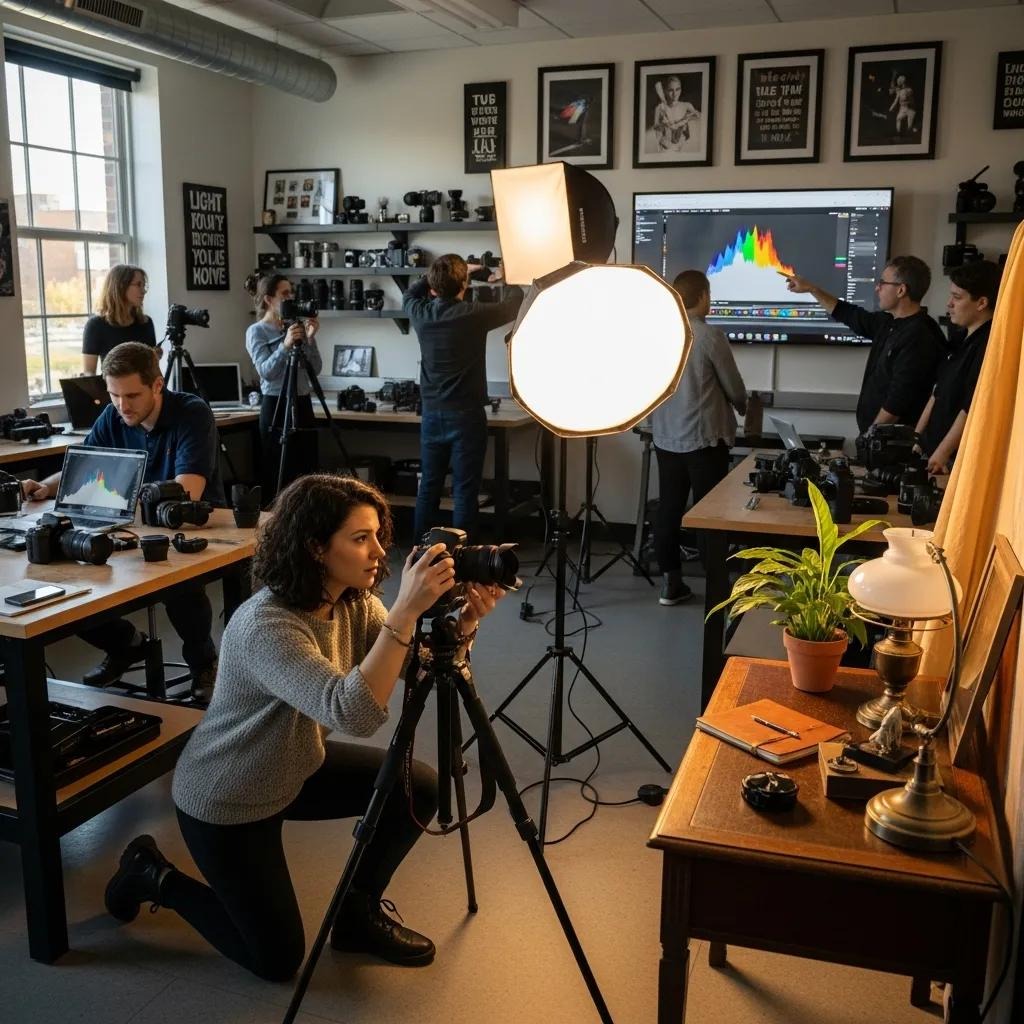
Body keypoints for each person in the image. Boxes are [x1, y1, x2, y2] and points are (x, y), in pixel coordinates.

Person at [102, 474, 505, 980]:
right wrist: (405, 612)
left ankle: (357, 917)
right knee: (276, 960)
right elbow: (351, 712)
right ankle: (152, 873)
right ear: (316, 547)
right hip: (230, 797)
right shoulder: (267, 625)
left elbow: (421, 672)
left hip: (295, 768)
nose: (380, 552)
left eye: (379, 534)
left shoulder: (355, 604)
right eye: (360, 539)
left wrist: (466, 624)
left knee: (417, 788)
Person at [22, 342, 223, 696]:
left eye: (131, 395)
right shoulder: (114, 414)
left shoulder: (192, 413)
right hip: (128, 520)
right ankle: (125, 644)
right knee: (64, 569)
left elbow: (187, 489)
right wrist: (47, 486)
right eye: (113, 395)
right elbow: (85, 465)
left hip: (187, 526)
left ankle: (204, 663)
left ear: (157, 385)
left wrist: (116, 497)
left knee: (179, 584)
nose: (121, 406)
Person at [403, 254, 524, 540]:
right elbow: (512, 304)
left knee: (429, 487)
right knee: (464, 490)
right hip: (467, 415)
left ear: (432, 288)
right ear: (463, 286)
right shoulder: (472, 314)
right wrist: (503, 276)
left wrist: (438, 276)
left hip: (432, 414)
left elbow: (410, 293)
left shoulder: (421, 313)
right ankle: (463, 558)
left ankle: (420, 554)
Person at [652, 270, 747, 606]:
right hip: (705, 440)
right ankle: (715, 590)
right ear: (704, 296)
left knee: (669, 509)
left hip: (665, 437)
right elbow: (735, 388)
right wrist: (743, 407)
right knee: (709, 513)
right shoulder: (709, 336)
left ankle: (670, 583)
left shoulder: (659, 335)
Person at [785, 255, 946, 435]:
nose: (877, 288)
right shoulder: (888, 322)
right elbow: (848, 314)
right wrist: (811, 289)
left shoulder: (920, 336)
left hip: (894, 444)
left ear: (901, 290)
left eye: (883, 283)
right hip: (878, 440)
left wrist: (869, 438)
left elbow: (898, 401)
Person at [914, 260, 1000, 475]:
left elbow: (971, 407)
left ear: (981, 303)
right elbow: (937, 392)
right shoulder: (960, 339)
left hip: (951, 462)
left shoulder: (989, 344)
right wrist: (916, 441)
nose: (949, 304)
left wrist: (942, 454)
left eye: (957, 297)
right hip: (930, 451)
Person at [245, 274, 323, 499]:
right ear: (269, 299)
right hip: (276, 404)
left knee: (307, 471)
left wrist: (309, 338)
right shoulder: (257, 331)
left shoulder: (296, 326)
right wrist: (285, 345)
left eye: (292, 292)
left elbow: (315, 368)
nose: (291, 298)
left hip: (302, 401)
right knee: (278, 472)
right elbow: (266, 372)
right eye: (285, 294)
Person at [82, 265, 158, 374]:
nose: (143, 291)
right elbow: (89, 372)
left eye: (144, 285)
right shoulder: (96, 325)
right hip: (111, 390)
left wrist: (154, 358)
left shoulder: (146, 323)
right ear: (121, 287)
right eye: (138, 285)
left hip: (144, 390)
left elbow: (152, 371)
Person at [653, 76, 699, 151]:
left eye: (677, 89)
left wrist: (684, 121)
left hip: (683, 148)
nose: (675, 94)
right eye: (671, 90)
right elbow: (655, 128)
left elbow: (698, 116)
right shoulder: (659, 108)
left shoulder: (686, 105)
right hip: (665, 149)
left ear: (681, 89)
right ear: (665, 91)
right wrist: (664, 124)